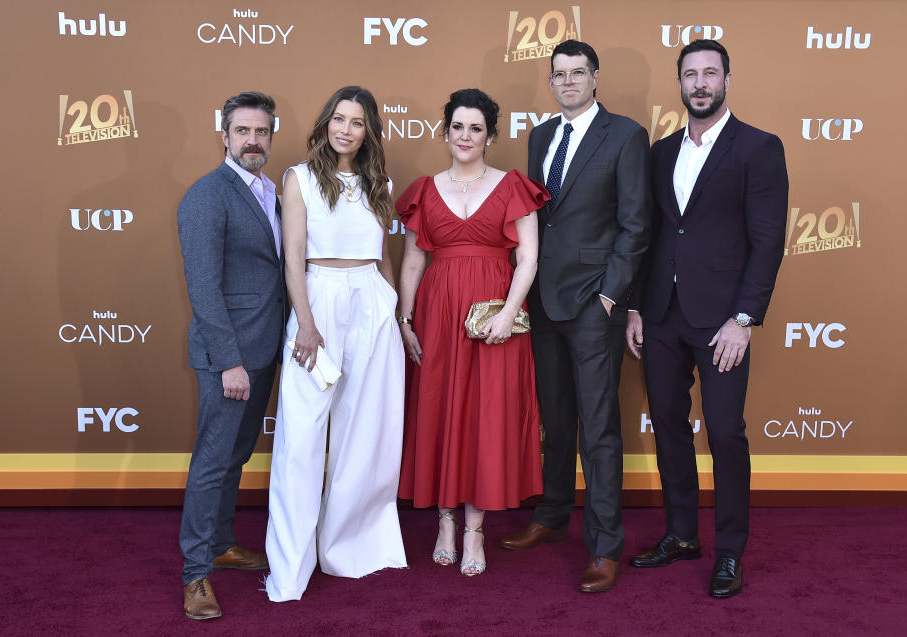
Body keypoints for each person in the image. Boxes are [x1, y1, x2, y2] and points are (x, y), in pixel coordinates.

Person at [626, 39, 788, 599]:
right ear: (679, 83)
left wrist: (743, 318)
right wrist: (639, 308)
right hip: (663, 315)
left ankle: (729, 552)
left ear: (727, 80)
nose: (700, 83)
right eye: (690, 74)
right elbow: (651, 239)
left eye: (710, 74)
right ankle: (680, 535)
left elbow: (768, 242)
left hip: (723, 320)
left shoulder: (759, 148)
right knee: (669, 428)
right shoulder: (661, 152)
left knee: (724, 433)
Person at [498, 40, 652, 594]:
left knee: (600, 428)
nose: (567, 81)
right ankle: (553, 513)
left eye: (577, 73)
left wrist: (613, 296)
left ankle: (605, 545)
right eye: (558, 74)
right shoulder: (541, 135)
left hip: (595, 301)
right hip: (543, 298)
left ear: (595, 77)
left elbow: (636, 224)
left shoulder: (627, 135)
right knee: (556, 419)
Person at [263, 86, 407, 601]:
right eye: (339, 119)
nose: (346, 129)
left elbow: (384, 255)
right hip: (318, 301)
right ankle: (290, 568)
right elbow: (294, 256)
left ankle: (353, 550)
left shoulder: (378, 183)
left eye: (358, 122)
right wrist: (305, 323)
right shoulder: (298, 179)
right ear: (326, 122)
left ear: (369, 132)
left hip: (371, 302)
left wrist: (394, 308)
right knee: (300, 440)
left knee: (364, 433)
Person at [397, 88, 547, 577]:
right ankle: (444, 521)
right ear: (445, 132)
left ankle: (474, 529)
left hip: (492, 317)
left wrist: (509, 312)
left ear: (490, 136)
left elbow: (528, 257)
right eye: (457, 127)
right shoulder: (424, 188)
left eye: (475, 128)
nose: (465, 136)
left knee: (485, 418)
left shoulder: (512, 186)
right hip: (437, 316)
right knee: (439, 411)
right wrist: (406, 319)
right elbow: (415, 259)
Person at [177, 90, 285, 620]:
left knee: (237, 456)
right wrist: (229, 361)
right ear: (224, 135)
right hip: (231, 356)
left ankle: (221, 542)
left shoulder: (271, 191)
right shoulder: (206, 195)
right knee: (213, 462)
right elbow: (203, 288)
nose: (252, 140)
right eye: (242, 131)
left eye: (261, 131)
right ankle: (196, 573)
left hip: (266, 348)